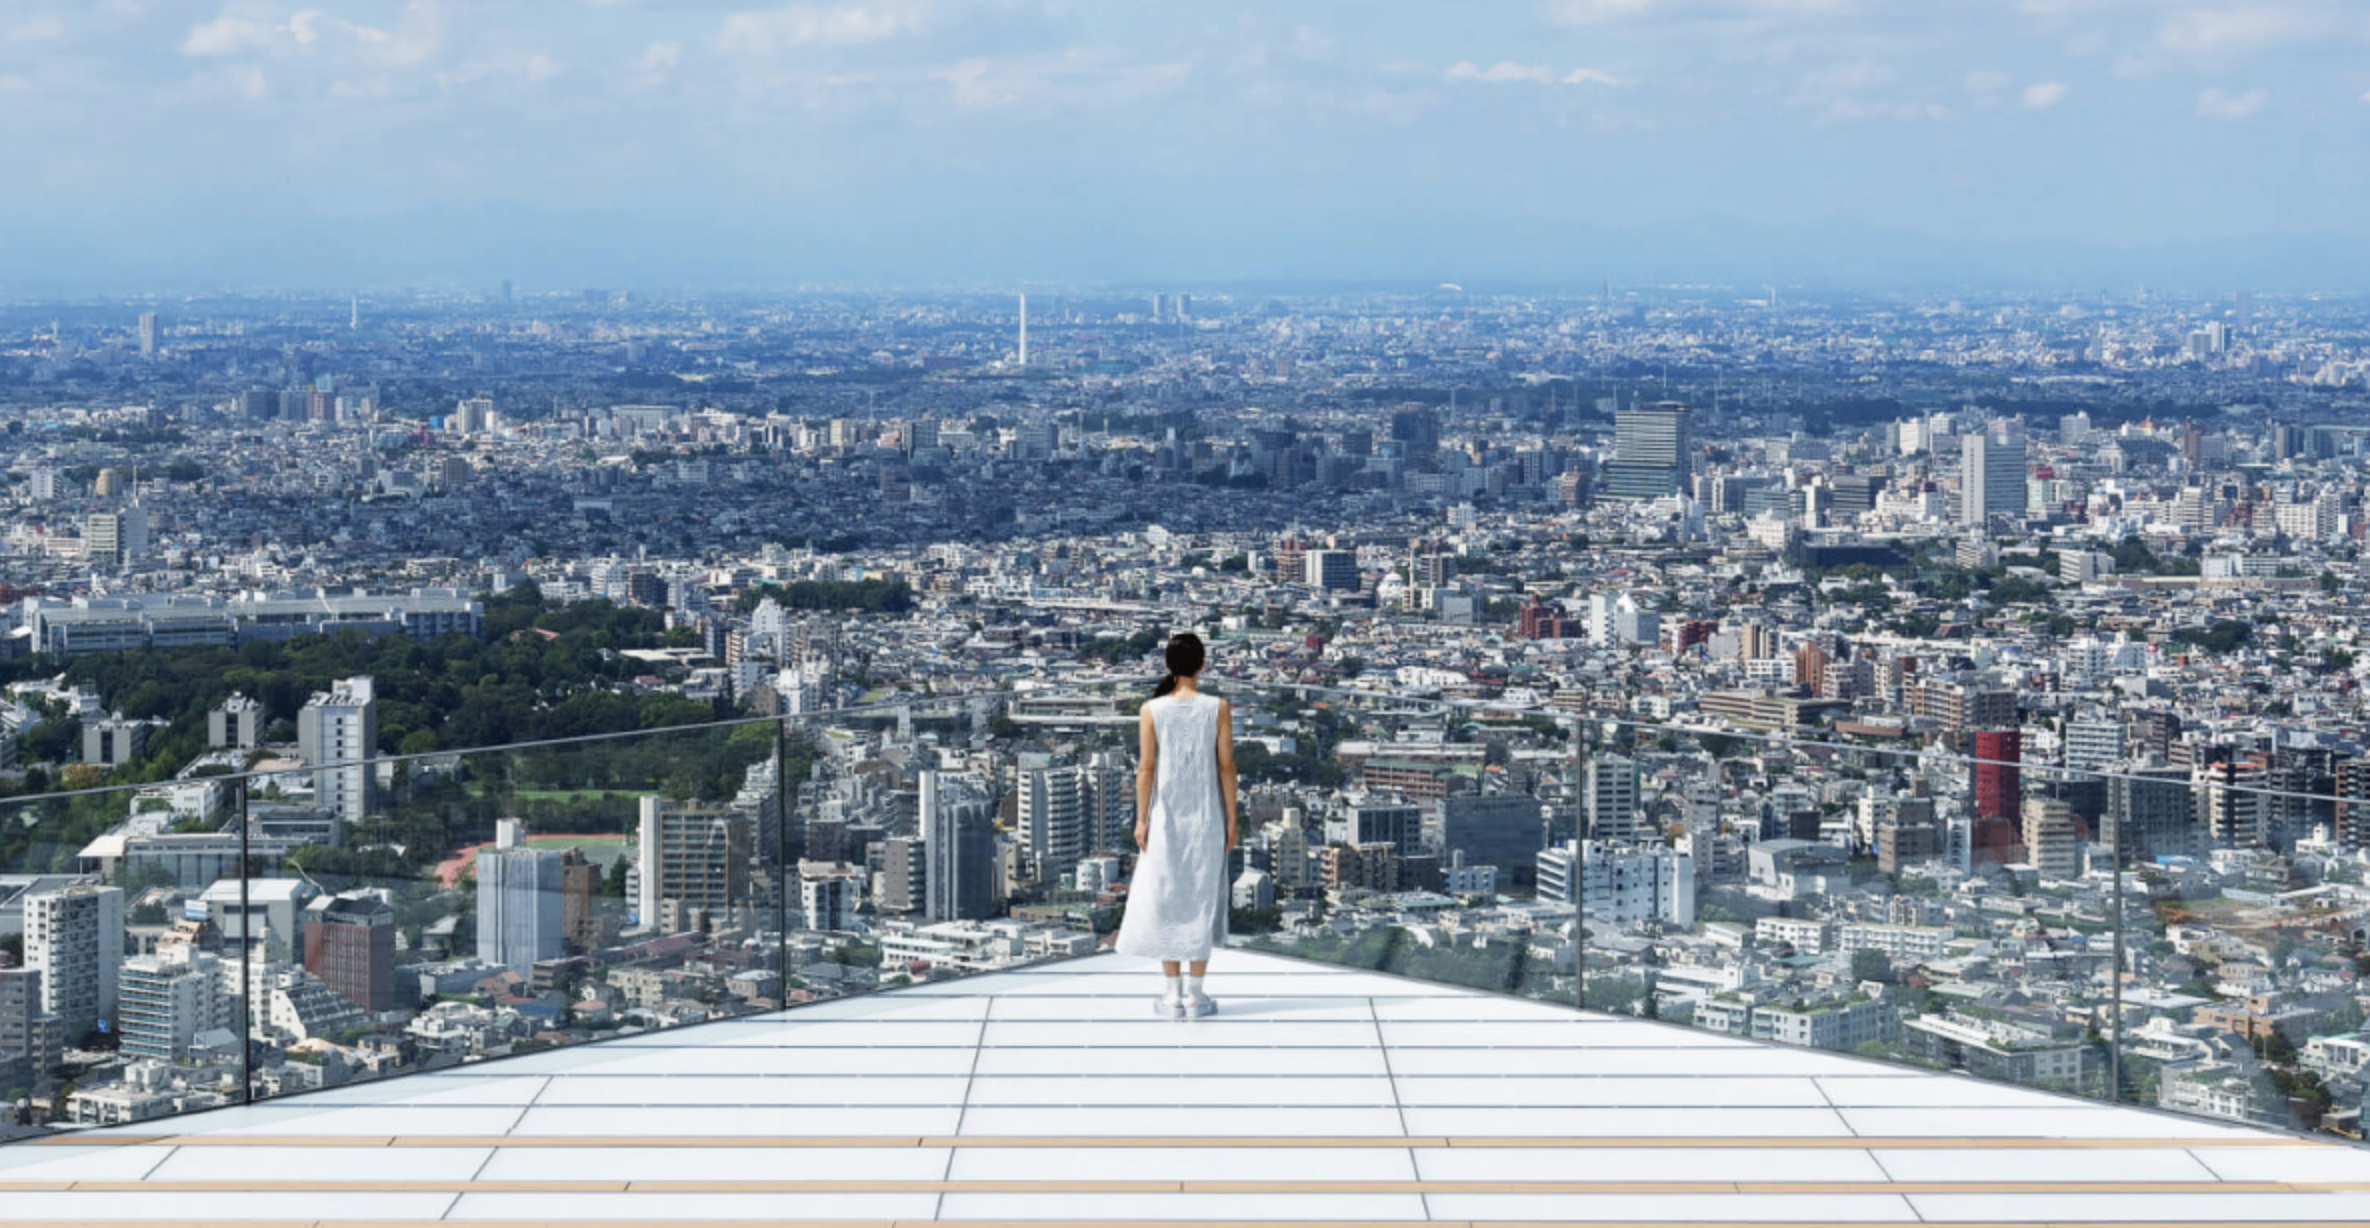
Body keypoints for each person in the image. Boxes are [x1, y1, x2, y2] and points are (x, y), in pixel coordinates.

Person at [1112, 632, 1239, 1018]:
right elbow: (1227, 768)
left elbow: (1146, 769)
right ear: (1202, 665)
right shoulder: (1218, 708)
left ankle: (1171, 994)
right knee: (1200, 898)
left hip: (1164, 817)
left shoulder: (1152, 710)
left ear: (1168, 665)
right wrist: (1232, 819)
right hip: (1207, 816)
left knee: (1168, 898)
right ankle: (1197, 996)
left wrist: (1140, 817)